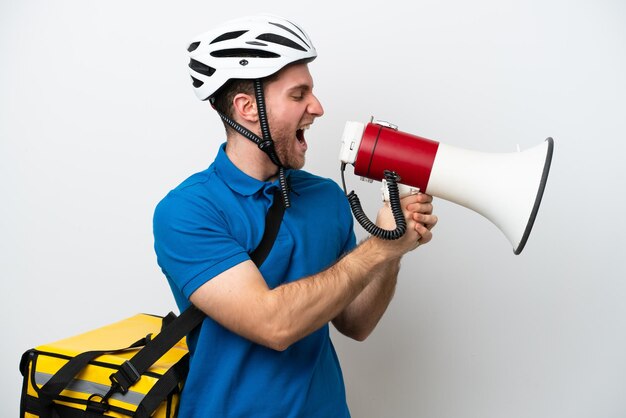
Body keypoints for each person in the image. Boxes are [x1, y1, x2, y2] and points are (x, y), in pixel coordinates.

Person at [153, 14, 438, 418]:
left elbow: (356, 324)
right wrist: (375, 249)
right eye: (298, 94)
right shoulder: (188, 211)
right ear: (247, 108)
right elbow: (274, 325)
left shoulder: (325, 197)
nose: (318, 108)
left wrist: (393, 247)